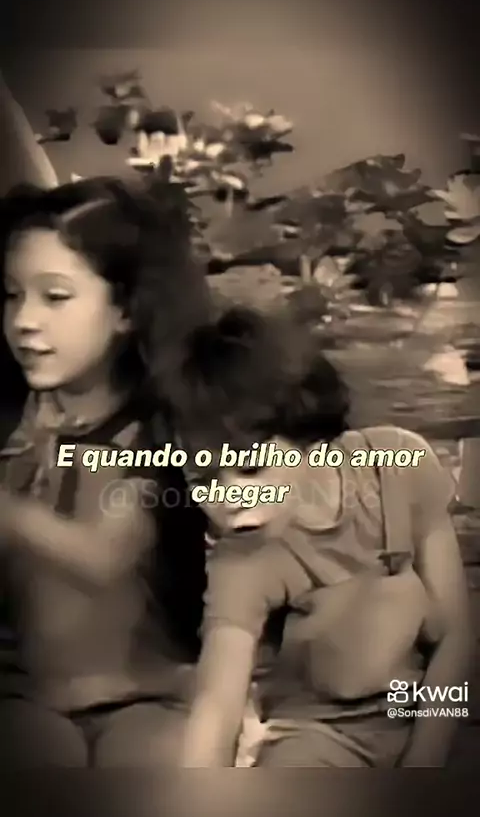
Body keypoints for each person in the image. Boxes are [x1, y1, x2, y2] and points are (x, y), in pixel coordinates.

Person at [163, 305, 472, 768]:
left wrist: (424, 761)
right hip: (318, 738)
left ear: (313, 439)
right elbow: (216, 706)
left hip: (434, 713)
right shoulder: (241, 561)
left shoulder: (397, 465)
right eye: (203, 478)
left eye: (250, 468)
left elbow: (456, 637)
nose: (228, 496)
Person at [0, 175, 210, 768]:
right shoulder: (14, 422)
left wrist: (10, 513)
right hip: (26, 697)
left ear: (125, 309)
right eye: (11, 295)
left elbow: (104, 556)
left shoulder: (159, 431)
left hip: (147, 696)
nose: (23, 320)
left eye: (55, 297)